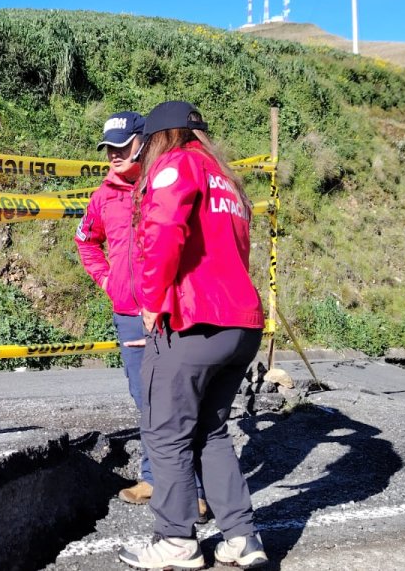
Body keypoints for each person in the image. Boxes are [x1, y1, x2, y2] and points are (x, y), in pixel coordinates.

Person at [118, 101, 268, 570]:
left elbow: (163, 231)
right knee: (211, 429)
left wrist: (151, 299)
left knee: (165, 431)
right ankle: (242, 537)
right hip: (240, 323)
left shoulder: (175, 166)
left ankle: (176, 540)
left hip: (193, 321)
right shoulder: (227, 179)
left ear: (160, 137)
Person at [75, 112, 207, 517]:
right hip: (130, 313)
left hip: (172, 311)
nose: (113, 155)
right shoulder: (102, 196)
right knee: (145, 400)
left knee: (180, 401)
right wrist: (108, 281)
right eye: (108, 148)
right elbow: (86, 242)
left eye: (121, 146)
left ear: (142, 143)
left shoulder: (165, 183)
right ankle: (153, 477)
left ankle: (194, 489)